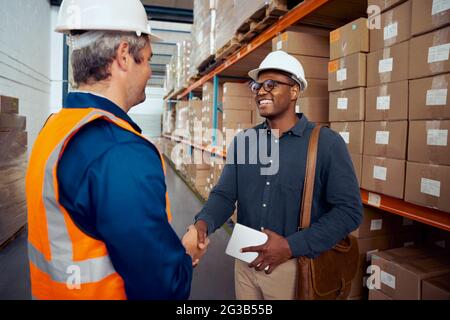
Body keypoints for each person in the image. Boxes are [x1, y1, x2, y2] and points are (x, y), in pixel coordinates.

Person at [26, 0, 204, 300]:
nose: (149, 71)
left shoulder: (55, 128)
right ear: (123, 56)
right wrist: (185, 254)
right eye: (146, 59)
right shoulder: (119, 151)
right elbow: (162, 288)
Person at [187, 50, 363, 300]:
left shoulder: (326, 143)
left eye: (271, 84)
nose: (260, 91)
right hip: (244, 263)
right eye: (257, 85)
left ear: (294, 91)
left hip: (291, 268)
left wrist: (291, 246)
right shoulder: (245, 142)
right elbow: (225, 195)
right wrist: (201, 225)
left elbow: (349, 211)